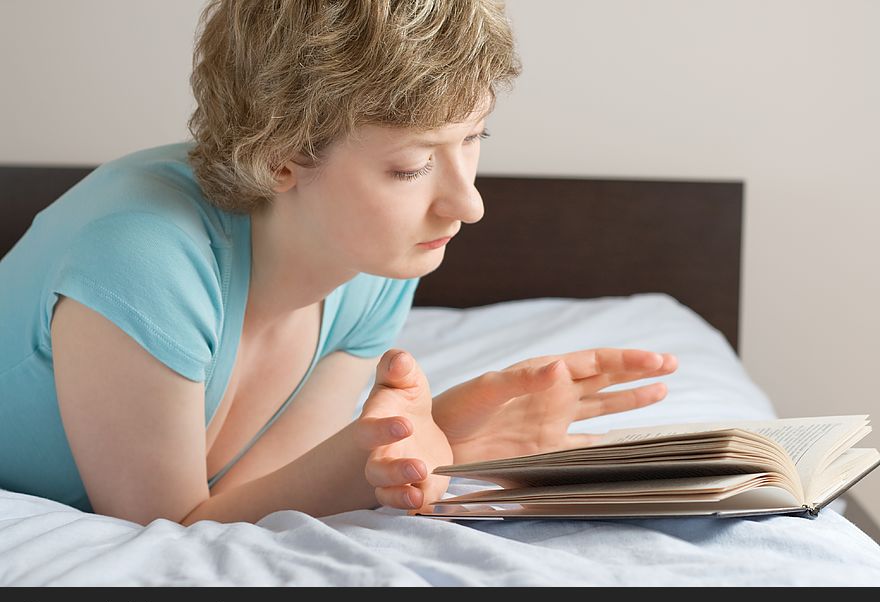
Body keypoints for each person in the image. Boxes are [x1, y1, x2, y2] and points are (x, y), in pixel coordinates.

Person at [0, 0, 676, 526]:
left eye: (474, 138)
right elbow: (171, 534)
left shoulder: (376, 265)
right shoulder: (144, 258)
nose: (468, 204)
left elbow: (241, 500)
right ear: (280, 156)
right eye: (411, 167)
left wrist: (429, 437)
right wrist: (369, 454)